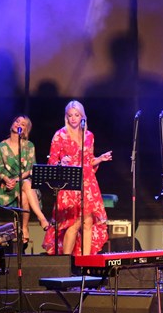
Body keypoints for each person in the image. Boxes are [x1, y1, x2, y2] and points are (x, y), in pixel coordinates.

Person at [42, 100, 112, 256]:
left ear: (82, 116)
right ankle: (66, 262)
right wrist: (61, 162)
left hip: (87, 184)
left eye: (76, 115)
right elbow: (51, 162)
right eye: (70, 115)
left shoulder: (89, 136)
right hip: (69, 183)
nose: (73, 118)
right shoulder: (60, 135)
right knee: (73, 223)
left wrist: (100, 159)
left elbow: (89, 161)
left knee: (88, 222)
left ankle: (86, 261)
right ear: (66, 117)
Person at [0, 115, 50, 248]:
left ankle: (24, 228)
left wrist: (18, 179)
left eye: (23, 124)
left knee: (25, 187)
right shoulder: (0, 146)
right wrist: (8, 180)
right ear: (13, 123)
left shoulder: (29, 146)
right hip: (9, 188)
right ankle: (39, 219)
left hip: (25, 182)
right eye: (17, 121)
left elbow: (30, 168)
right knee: (26, 187)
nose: (19, 124)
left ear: (26, 129)